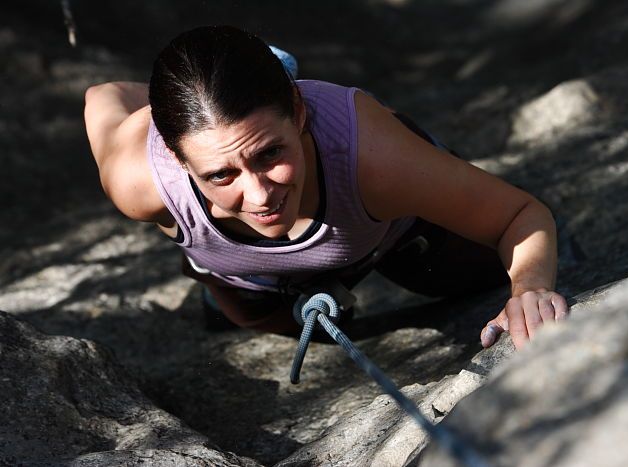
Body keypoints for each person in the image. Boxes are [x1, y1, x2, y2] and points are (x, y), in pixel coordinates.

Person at [84, 25, 568, 350]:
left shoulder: (372, 156)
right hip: (254, 276)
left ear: (298, 112)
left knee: (477, 275)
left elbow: (519, 216)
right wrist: (178, 106)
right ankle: (229, 284)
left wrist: (529, 288)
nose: (258, 196)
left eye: (270, 154)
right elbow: (101, 95)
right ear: (175, 155)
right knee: (292, 328)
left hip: (391, 227)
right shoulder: (139, 180)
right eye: (220, 175)